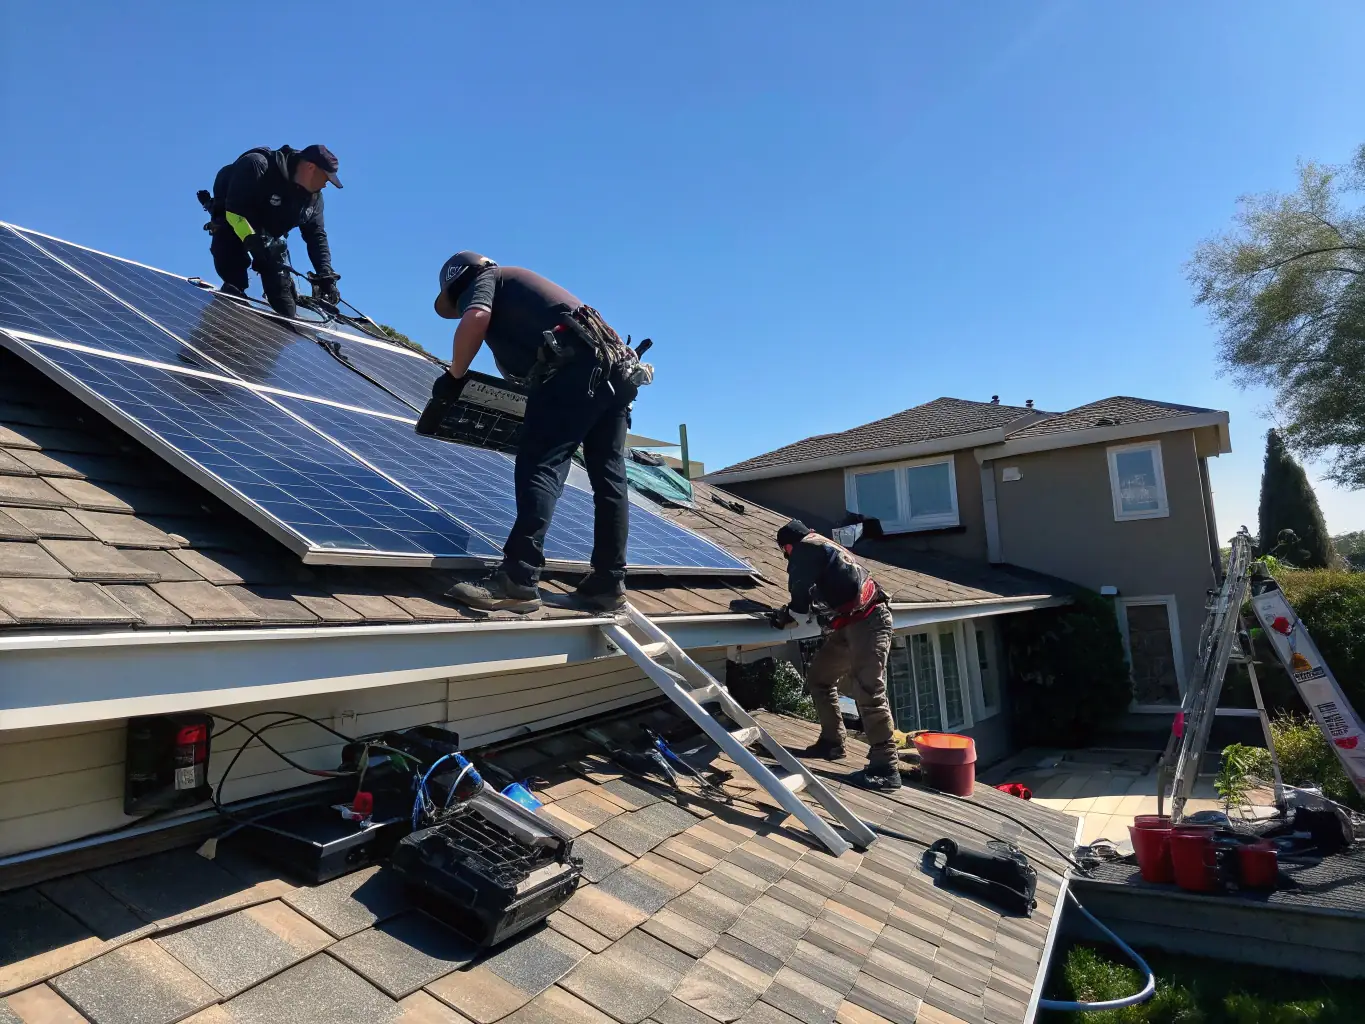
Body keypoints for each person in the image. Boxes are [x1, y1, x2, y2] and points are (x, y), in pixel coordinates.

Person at [422, 252, 642, 614]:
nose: (460, 306)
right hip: (615, 369)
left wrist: (454, 376)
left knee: (541, 463)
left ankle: (517, 579)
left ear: (461, 281)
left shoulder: (487, 279)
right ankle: (608, 583)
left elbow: (476, 318)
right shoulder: (524, 290)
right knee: (609, 477)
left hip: (575, 368)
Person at [770, 519, 901, 790]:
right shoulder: (824, 546)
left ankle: (886, 767)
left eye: (785, 551)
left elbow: (799, 600)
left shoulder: (805, 550)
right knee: (819, 678)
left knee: (869, 688)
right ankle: (832, 743)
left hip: (870, 620)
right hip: (849, 623)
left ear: (789, 546)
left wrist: (787, 615)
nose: (786, 557)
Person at [207, 144, 343, 318]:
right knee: (231, 267)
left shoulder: (314, 200)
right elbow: (234, 213)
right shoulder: (257, 166)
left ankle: (285, 320)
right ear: (311, 167)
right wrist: (252, 241)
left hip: (270, 239)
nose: (326, 184)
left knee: (284, 303)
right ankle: (231, 309)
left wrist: (325, 275)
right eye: (326, 178)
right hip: (235, 224)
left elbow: (316, 236)